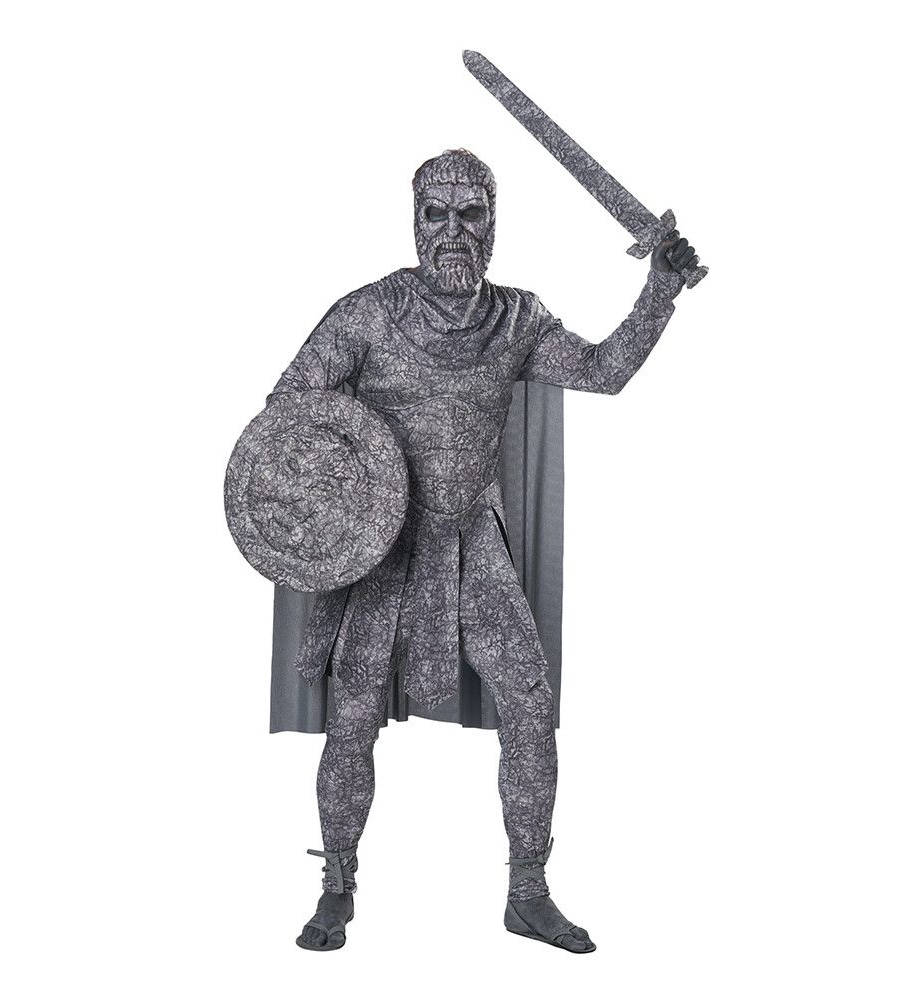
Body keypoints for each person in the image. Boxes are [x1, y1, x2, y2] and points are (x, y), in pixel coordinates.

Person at [266, 149, 697, 953]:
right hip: (383, 544)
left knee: (530, 704)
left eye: (472, 214)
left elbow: (604, 371)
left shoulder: (517, 320)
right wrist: (343, 498)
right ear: (415, 220)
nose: (453, 231)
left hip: (471, 541)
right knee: (352, 717)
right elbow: (289, 410)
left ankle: (528, 893)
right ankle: (336, 888)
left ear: (494, 223)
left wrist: (659, 292)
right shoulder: (367, 315)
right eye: (437, 213)